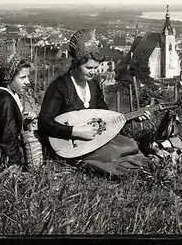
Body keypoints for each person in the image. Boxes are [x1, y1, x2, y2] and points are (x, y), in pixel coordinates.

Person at [38, 29, 151, 176]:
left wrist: (132, 118)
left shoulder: (93, 85)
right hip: (70, 147)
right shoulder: (60, 86)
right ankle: (135, 168)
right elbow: (44, 122)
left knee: (129, 144)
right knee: (114, 152)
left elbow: (107, 118)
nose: (93, 72)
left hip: (93, 141)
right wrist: (74, 131)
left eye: (96, 68)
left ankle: (145, 166)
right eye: (88, 68)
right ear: (76, 65)